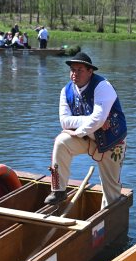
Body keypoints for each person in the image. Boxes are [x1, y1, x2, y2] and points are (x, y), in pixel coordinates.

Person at [46, 52, 127, 209]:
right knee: (61, 142)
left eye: (80, 70)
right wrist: (87, 123)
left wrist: (77, 131)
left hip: (111, 141)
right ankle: (58, 190)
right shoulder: (66, 91)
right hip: (86, 136)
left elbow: (98, 118)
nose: (74, 74)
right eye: (72, 69)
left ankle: (108, 219)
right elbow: (65, 121)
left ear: (90, 71)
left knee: (111, 191)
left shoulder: (103, 86)